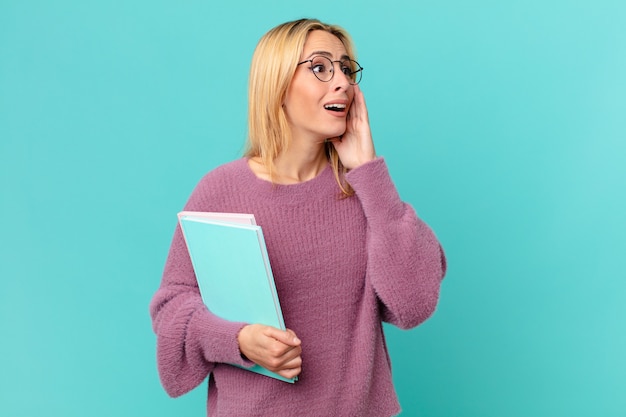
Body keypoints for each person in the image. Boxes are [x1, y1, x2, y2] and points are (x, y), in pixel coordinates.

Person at [149, 18, 446, 417]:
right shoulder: (220, 191)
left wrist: (369, 172)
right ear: (277, 85)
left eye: (346, 68)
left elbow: (414, 302)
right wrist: (237, 340)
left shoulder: (366, 191)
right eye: (320, 67)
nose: (341, 81)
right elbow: (172, 310)